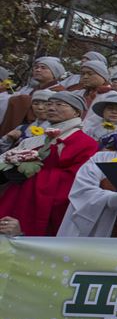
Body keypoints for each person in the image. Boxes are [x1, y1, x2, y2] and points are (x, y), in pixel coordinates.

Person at [0, 91, 99, 236]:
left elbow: (76, 178)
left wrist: (34, 174)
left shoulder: (85, 143)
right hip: (17, 197)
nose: (51, 108)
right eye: (49, 104)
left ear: (76, 112)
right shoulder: (34, 140)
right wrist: (8, 170)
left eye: (59, 104)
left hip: (45, 205)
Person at [0, 57, 66, 134]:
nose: (38, 70)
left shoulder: (59, 92)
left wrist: (22, 100)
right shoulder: (30, 89)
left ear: (54, 73)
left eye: (43, 68)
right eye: (36, 67)